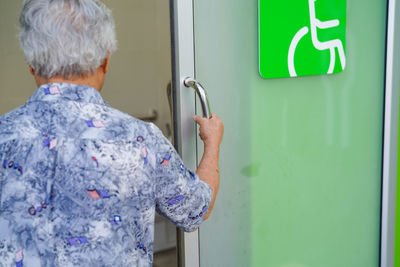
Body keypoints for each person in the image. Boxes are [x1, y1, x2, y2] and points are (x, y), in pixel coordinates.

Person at [0, 0, 224, 266]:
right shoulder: (140, 140)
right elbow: (195, 210)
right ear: (105, 60)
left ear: (31, 64)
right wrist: (212, 144)